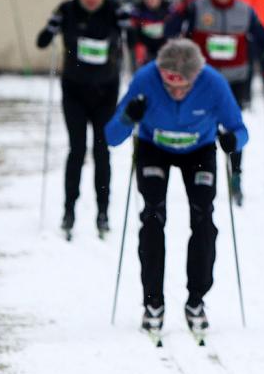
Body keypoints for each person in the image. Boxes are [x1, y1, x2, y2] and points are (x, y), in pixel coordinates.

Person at [105, 38, 248, 335]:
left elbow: (240, 130)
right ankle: (152, 302)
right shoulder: (145, 79)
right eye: (171, 86)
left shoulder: (214, 83)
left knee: (203, 220)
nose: (178, 92)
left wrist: (232, 141)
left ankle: (196, 300)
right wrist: (129, 117)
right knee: (153, 217)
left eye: (185, 86)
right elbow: (112, 135)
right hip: (153, 148)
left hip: (199, 151)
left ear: (196, 77)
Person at [36, 0, 132, 239]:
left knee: (102, 152)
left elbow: (136, 39)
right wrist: (50, 28)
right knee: (77, 151)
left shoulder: (114, 9)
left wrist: (130, 27)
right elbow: (42, 42)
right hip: (75, 90)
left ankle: (103, 213)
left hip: (105, 91)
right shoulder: (67, 9)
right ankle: (69, 211)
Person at [167, 0, 264, 207]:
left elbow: (262, 37)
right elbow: (171, 28)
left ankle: (236, 176)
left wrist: (257, 57)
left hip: (235, 79)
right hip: (203, 79)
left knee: (233, 128)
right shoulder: (197, 7)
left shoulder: (245, 10)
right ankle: (202, 174)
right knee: (203, 125)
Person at [127, 0, 171, 69]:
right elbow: (132, 30)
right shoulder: (138, 11)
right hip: (143, 49)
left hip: (162, 48)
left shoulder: (168, 10)